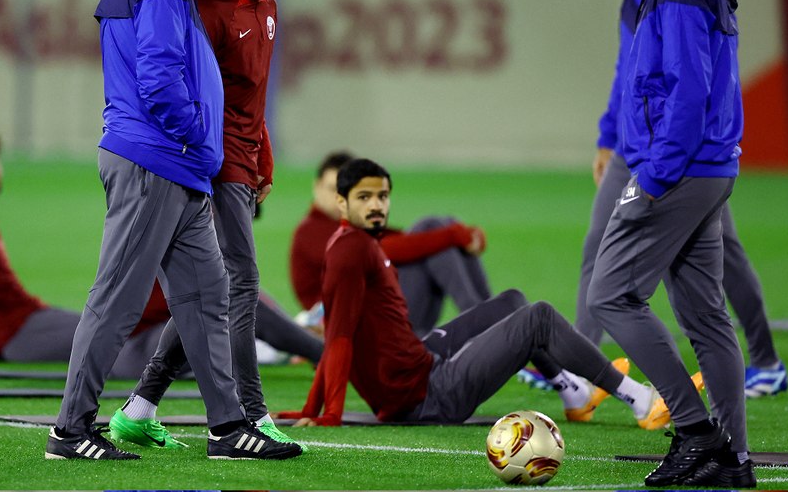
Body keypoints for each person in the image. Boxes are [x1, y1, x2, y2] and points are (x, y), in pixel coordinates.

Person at [45, 0, 301, 462]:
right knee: (117, 300)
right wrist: (197, 135)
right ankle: (70, 430)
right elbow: (159, 79)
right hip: (155, 161)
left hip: (176, 167)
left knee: (208, 295)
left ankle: (227, 428)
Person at [0, 129, 322, 371]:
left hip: (37, 318)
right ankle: (306, 349)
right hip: (22, 333)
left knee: (226, 301)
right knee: (222, 301)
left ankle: (285, 345)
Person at [277, 158, 677, 431]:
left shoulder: (358, 242)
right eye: (364, 198)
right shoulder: (349, 252)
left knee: (511, 302)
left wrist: (312, 408)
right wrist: (327, 414)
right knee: (537, 317)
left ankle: (574, 393)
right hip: (429, 397)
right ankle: (639, 400)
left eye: (382, 196)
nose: (377, 205)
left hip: (423, 364)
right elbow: (339, 338)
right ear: (342, 203)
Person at [110, 0, 304, 451]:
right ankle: (251, 415)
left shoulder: (268, 7)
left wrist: (264, 157)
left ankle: (140, 407)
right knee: (240, 283)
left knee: (211, 290)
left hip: (243, 160)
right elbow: (196, 88)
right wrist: (214, 159)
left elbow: (251, 96)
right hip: (216, 162)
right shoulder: (212, 6)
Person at [589, 0, 754, 488]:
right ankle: (732, 462)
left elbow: (688, 89)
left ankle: (696, 432)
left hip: (679, 169)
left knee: (610, 294)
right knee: (706, 318)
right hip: (707, 167)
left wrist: (652, 177)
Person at [575, 0, 788, 399]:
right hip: (634, 149)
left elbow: (694, 85)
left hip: (678, 156)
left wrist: (664, 168)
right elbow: (626, 75)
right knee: (597, 247)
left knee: (722, 262)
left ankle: (765, 362)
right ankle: (581, 367)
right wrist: (608, 135)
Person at [290, 150, 490, 337]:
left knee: (434, 228)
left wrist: (463, 234)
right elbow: (379, 250)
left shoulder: (352, 224)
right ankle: (482, 317)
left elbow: (404, 240)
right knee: (432, 231)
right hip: (359, 329)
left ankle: (486, 314)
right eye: (332, 189)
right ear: (317, 187)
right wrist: (454, 235)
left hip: (377, 316)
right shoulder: (311, 231)